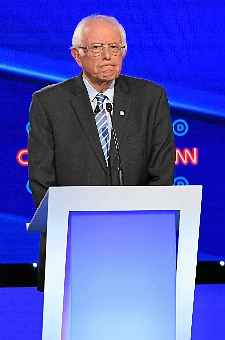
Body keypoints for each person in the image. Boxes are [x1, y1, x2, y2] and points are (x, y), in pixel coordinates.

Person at [28, 15, 175, 291]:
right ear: (77, 55)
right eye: (97, 48)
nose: (108, 57)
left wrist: (140, 226)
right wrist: (78, 228)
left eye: (115, 48)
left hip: (138, 243)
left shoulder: (150, 98)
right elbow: (41, 180)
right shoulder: (48, 103)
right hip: (74, 244)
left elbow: (162, 173)